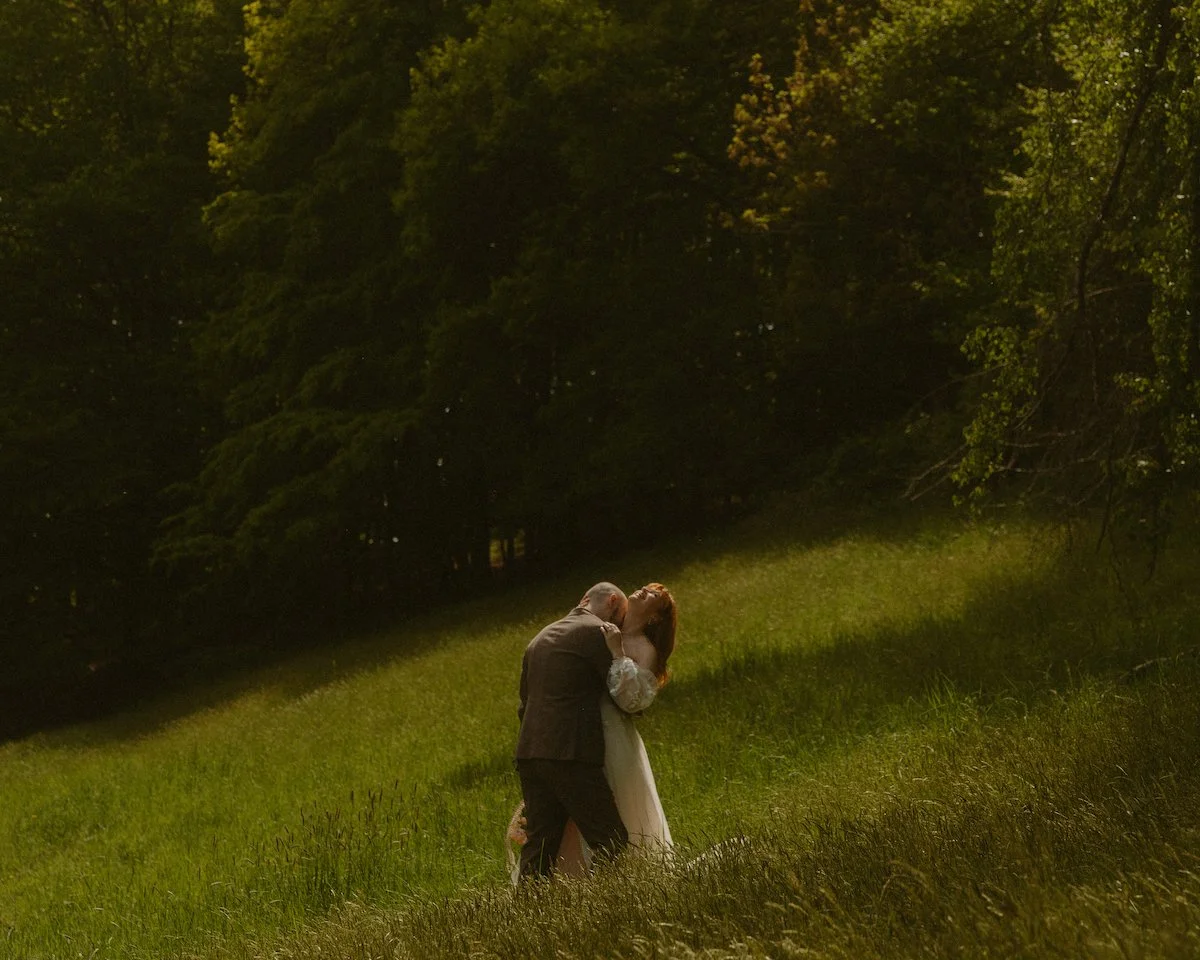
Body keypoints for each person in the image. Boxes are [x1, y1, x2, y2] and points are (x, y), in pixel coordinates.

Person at [509, 582, 678, 879]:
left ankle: (532, 908)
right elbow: (626, 700)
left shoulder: (540, 637)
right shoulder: (597, 633)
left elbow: (525, 704)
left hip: (535, 750)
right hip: (574, 750)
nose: (642, 592)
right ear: (613, 602)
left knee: (542, 843)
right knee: (610, 840)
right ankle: (604, 898)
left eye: (652, 595)